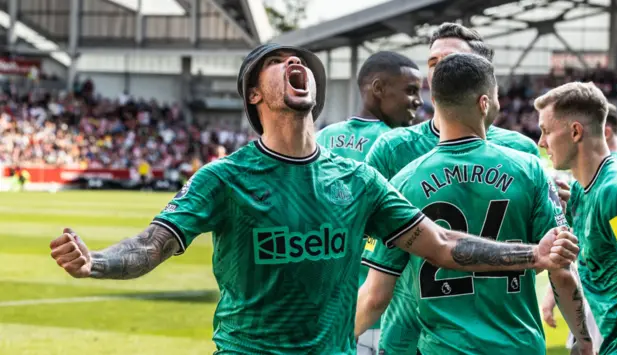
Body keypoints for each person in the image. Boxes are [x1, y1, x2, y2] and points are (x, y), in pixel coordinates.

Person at [49, 43, 579, 355]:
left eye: (300, 62)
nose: (295, 64)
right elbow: (154, 244)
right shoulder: (224, 178)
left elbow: (439, 244)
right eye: (279, 62)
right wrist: (95, 262)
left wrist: (530, 255)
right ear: (254, 95)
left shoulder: (358, 180)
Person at [357, 22, 573, 355]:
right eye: (433, 62)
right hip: (407, 334)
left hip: (494, 324)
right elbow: (368, 239)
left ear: (477, 70)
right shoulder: (392, 149)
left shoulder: (521, 151)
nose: (441, 68)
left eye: (451, 59)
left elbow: (546, 241)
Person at [316, 50, 423, 355]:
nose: (418, 101)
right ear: (378, 88)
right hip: (387, 310)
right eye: (410, 90)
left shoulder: (322, 139)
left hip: (332, 308)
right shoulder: (402, 144)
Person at [535, 81, 617, 355]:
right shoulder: (582, 191)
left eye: (546, 131)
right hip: (601, 343)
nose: (541, 142)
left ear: (575, 131)